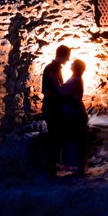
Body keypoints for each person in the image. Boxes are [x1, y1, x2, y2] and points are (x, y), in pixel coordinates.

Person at [39, 43, 71, 176]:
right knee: (53, 137)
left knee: (56, 137)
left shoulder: (55, 68)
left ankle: (53, 167)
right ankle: (51, 168)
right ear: (61, 55)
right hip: (52, 108)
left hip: (54, 107)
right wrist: (62, 97)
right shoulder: (51, 69)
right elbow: (48, 91)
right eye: (67, 57)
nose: (68, 60)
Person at [61, 57, 92, 175]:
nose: (70, 64)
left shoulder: (75, 80)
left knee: (74, 138)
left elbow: (63, 93)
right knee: (75, 138)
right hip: (74, 111)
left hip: (73, 113)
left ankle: (77, 166)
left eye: (73, 64)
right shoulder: (77, 79)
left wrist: (55, 82)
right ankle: (76, 165)